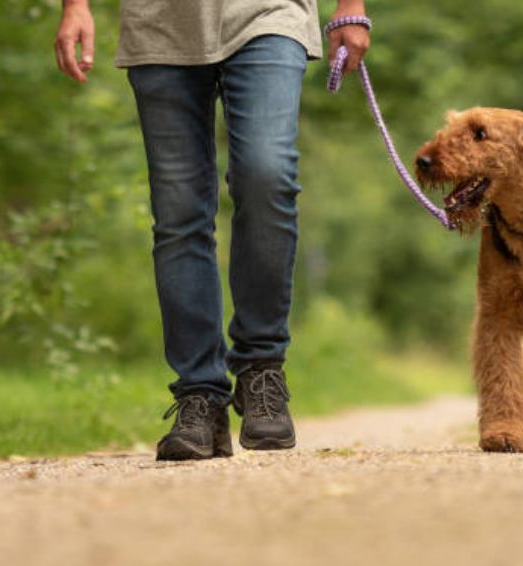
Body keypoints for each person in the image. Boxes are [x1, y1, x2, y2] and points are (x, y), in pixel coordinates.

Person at [54, 0, 370, 460]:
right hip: (158, 24)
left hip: (269, 13)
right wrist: (75, 6)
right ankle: (199, 396)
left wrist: (351, 6)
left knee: (267, 175)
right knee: (179, 213)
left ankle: (262, 365)